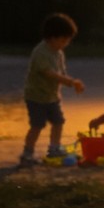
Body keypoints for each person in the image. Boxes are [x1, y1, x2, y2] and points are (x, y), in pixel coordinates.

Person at [20, 13, 84, 166]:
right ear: (51, 37)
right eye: (63, 40)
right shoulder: (41, 52)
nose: (65, 44)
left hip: (51, 97)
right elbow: (50, 74)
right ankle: (27, 153)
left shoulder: (59, 53)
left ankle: (54, 148)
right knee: (37, 125)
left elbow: (60, 72)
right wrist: (71, 82)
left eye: (68, 41)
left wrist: (70, 82)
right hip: (36, 97)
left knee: (58, 121)